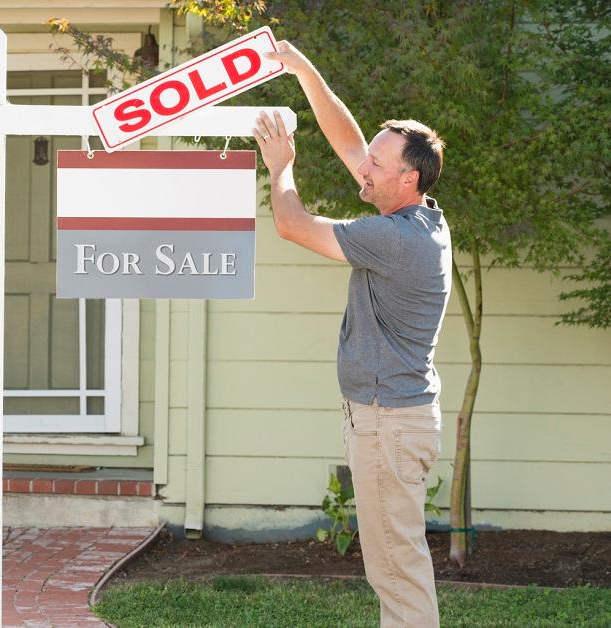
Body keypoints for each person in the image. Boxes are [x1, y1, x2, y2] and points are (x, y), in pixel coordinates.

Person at [256, 42, 450, 627]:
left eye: (376, 164)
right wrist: (303, 69)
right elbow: (348, 141)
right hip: (392, 416)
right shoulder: (420, 216)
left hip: (388, 423)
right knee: (396, 568)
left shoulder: (393, 239)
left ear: (407, 177)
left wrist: (281, 165)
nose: (362, 166)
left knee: (396, 573)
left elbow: (290, 224)